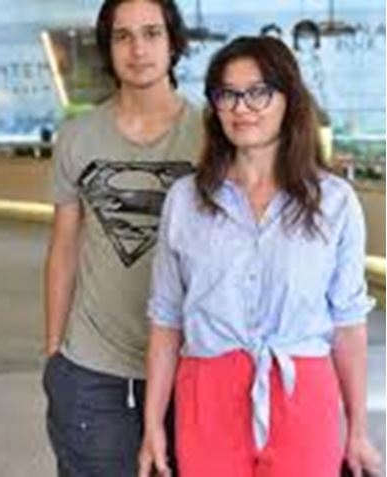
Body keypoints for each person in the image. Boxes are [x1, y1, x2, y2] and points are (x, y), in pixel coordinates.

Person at [138, 36, 382, 477]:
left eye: (258, 92)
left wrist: (358, 429)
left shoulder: (334, 201)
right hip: (207, 395)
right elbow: (166, 320)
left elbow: (348, 324)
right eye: (227, 94)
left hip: (303, 393)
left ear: (289, 99)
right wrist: (153, 425)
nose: (242, 108)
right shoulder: (186, 200)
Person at [42, 0, 202, 474]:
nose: (138, 50)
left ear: (173, 43)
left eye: (151, 33)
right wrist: (54, 352)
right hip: (94, 368)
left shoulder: (212, 135)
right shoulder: (78, 136)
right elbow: (64, 248)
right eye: (122, 36)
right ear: (107, 48)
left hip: (192, 363)